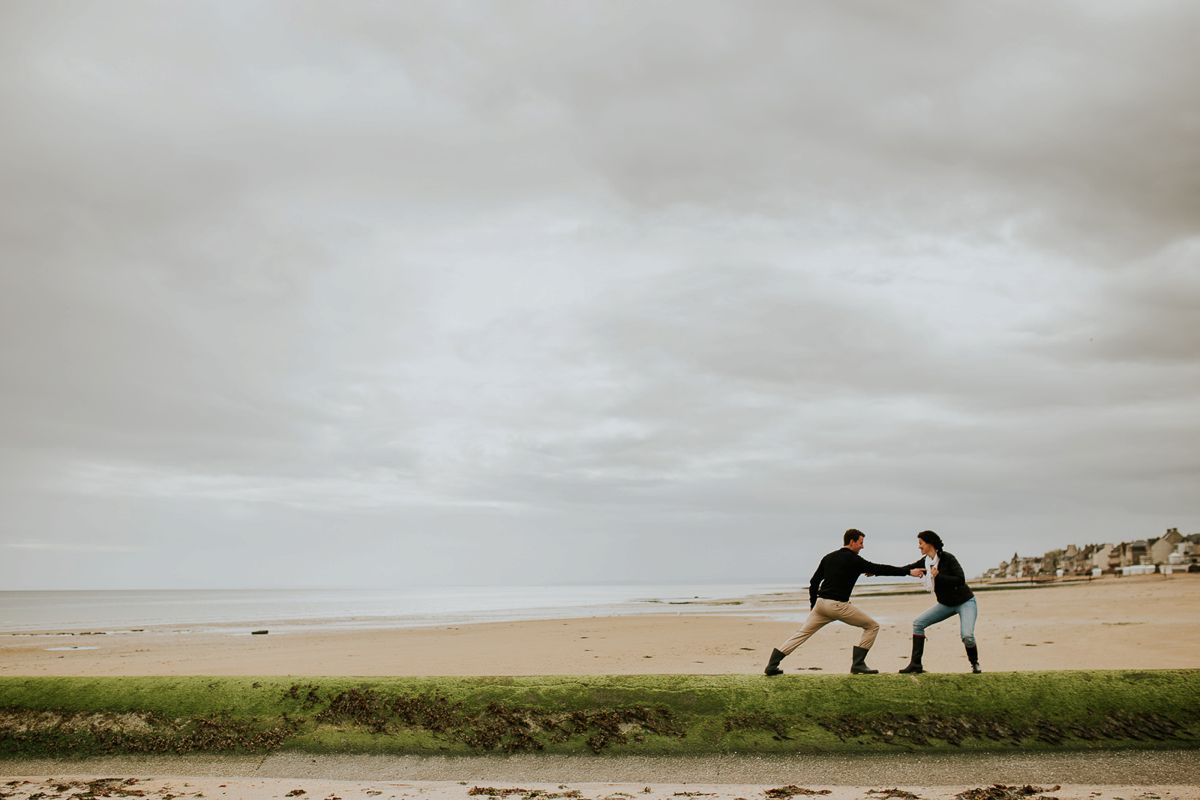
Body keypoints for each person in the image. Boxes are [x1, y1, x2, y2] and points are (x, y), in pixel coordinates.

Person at [764, 529, 919, 676]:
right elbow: (881, 568)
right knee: (872, 626)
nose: (862, 546)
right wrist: (908, 572)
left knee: (802, 634)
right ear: (851, 542)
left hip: (821, 604)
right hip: (838, 605)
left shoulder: (829, 557)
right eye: (860, 543)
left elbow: (814, 582)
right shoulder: (854, 560)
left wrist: (813, 606)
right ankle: (858, 663)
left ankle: (772, 664)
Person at [898, 530, 981, 674]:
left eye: (921, 543)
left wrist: (939, 576)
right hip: (946, 604)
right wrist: (877, 572)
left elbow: (960, 579)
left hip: (965, 602)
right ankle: (916, 665)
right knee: (918, 623)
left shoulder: (948, 558)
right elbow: (906, 568)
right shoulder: (925, 562)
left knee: (967, 636)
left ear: (930, 543)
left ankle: (975, 663)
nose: (919, 546)